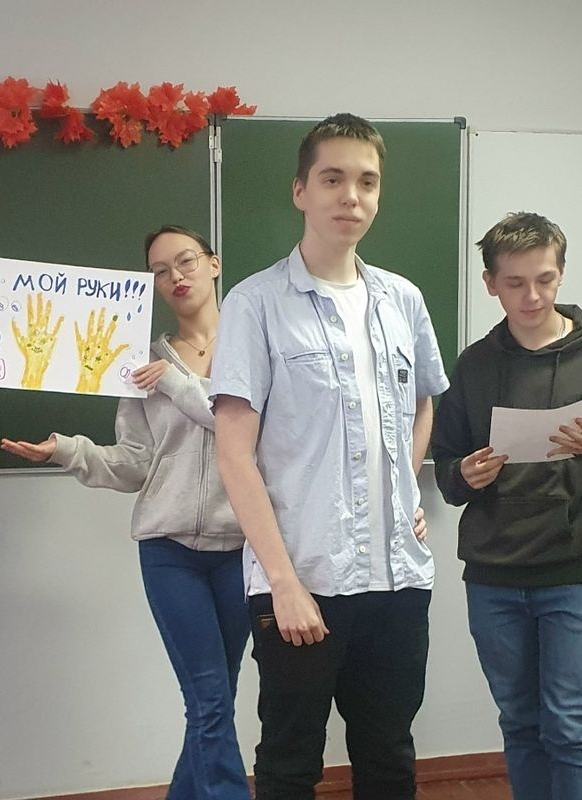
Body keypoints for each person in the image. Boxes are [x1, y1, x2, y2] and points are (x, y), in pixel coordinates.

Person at [211, 113, 448, 800]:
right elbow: (234, 454)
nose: (351, 196)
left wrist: (404, 488)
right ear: (300, 191)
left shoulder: (402, 300)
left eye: (366, 182)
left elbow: (424, 399)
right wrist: (282, 581)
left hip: (397, 582)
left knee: (389, 758)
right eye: (333, 179)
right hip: (303, 581)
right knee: (289, 763)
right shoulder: (255, 303)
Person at [1, 225, 251, 800]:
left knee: (215, 701)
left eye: (185, 262)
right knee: (210, 700)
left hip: (243, 548)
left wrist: (180, 385)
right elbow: (137, 462)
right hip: (170, 554)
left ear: (214, 264)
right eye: (160, 271)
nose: (175, 277)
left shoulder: (255, 348)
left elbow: (253, 435)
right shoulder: (140, 364)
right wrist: (66, 450)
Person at [430, 211, 582, 800]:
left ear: (561, 274)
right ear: (490, 283)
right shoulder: (476, 364)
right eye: (515, 283)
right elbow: (448, 470)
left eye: (545, 279)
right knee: (521, 723)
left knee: (573, 727)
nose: (532, 296)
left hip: (578, 571)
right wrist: (464, 473)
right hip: (496, 575)